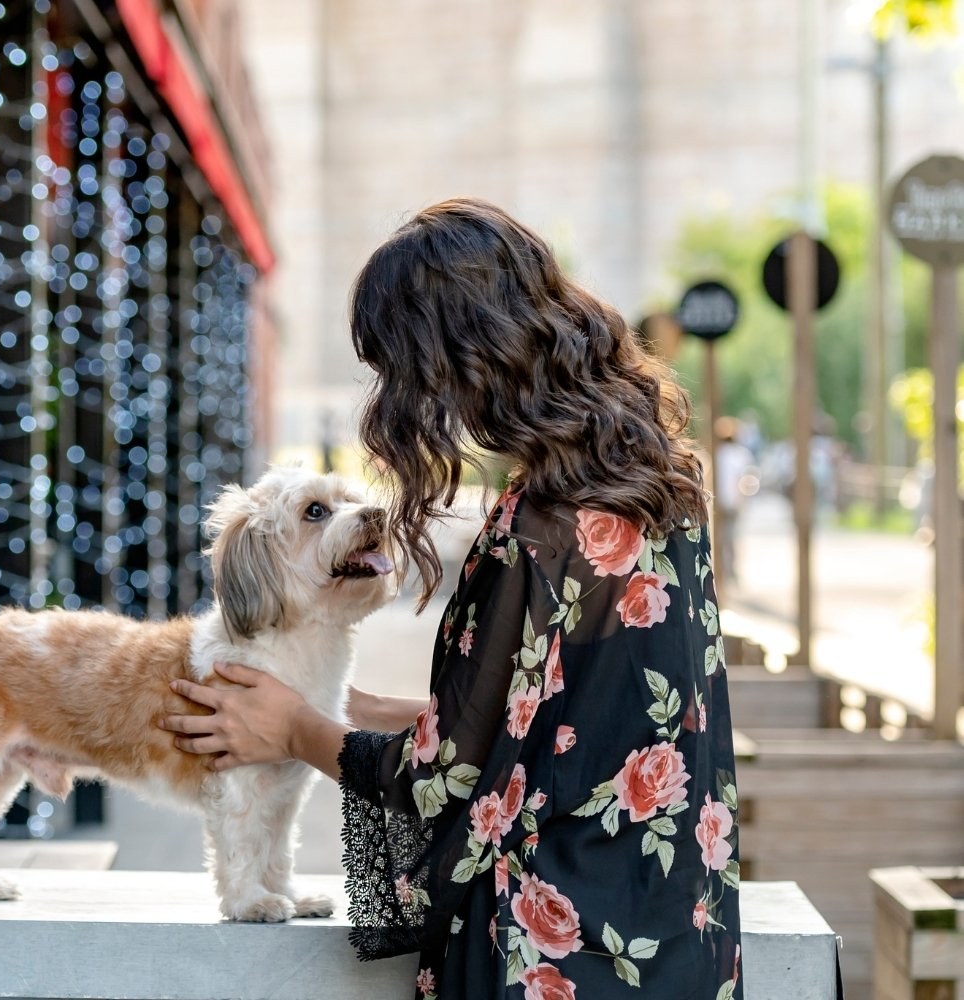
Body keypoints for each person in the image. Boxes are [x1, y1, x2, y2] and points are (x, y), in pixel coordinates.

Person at [161, 199, 742, 998]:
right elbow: (551, 726)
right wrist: (355, 706)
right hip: (675, 941)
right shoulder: (659, 488)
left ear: (460, 357)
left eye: (404, 369)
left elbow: (444, 779)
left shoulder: (538, 524)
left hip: (549, 957)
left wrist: (295, 729)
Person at [713, 416, 755, 583]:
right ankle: (731, 568)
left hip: (719, 501)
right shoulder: (741, 454)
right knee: (732, 536)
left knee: (721, 536)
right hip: (733, 501)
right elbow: (745, 481)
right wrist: (742, 499)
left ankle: (723, 568)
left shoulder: (716, 454)